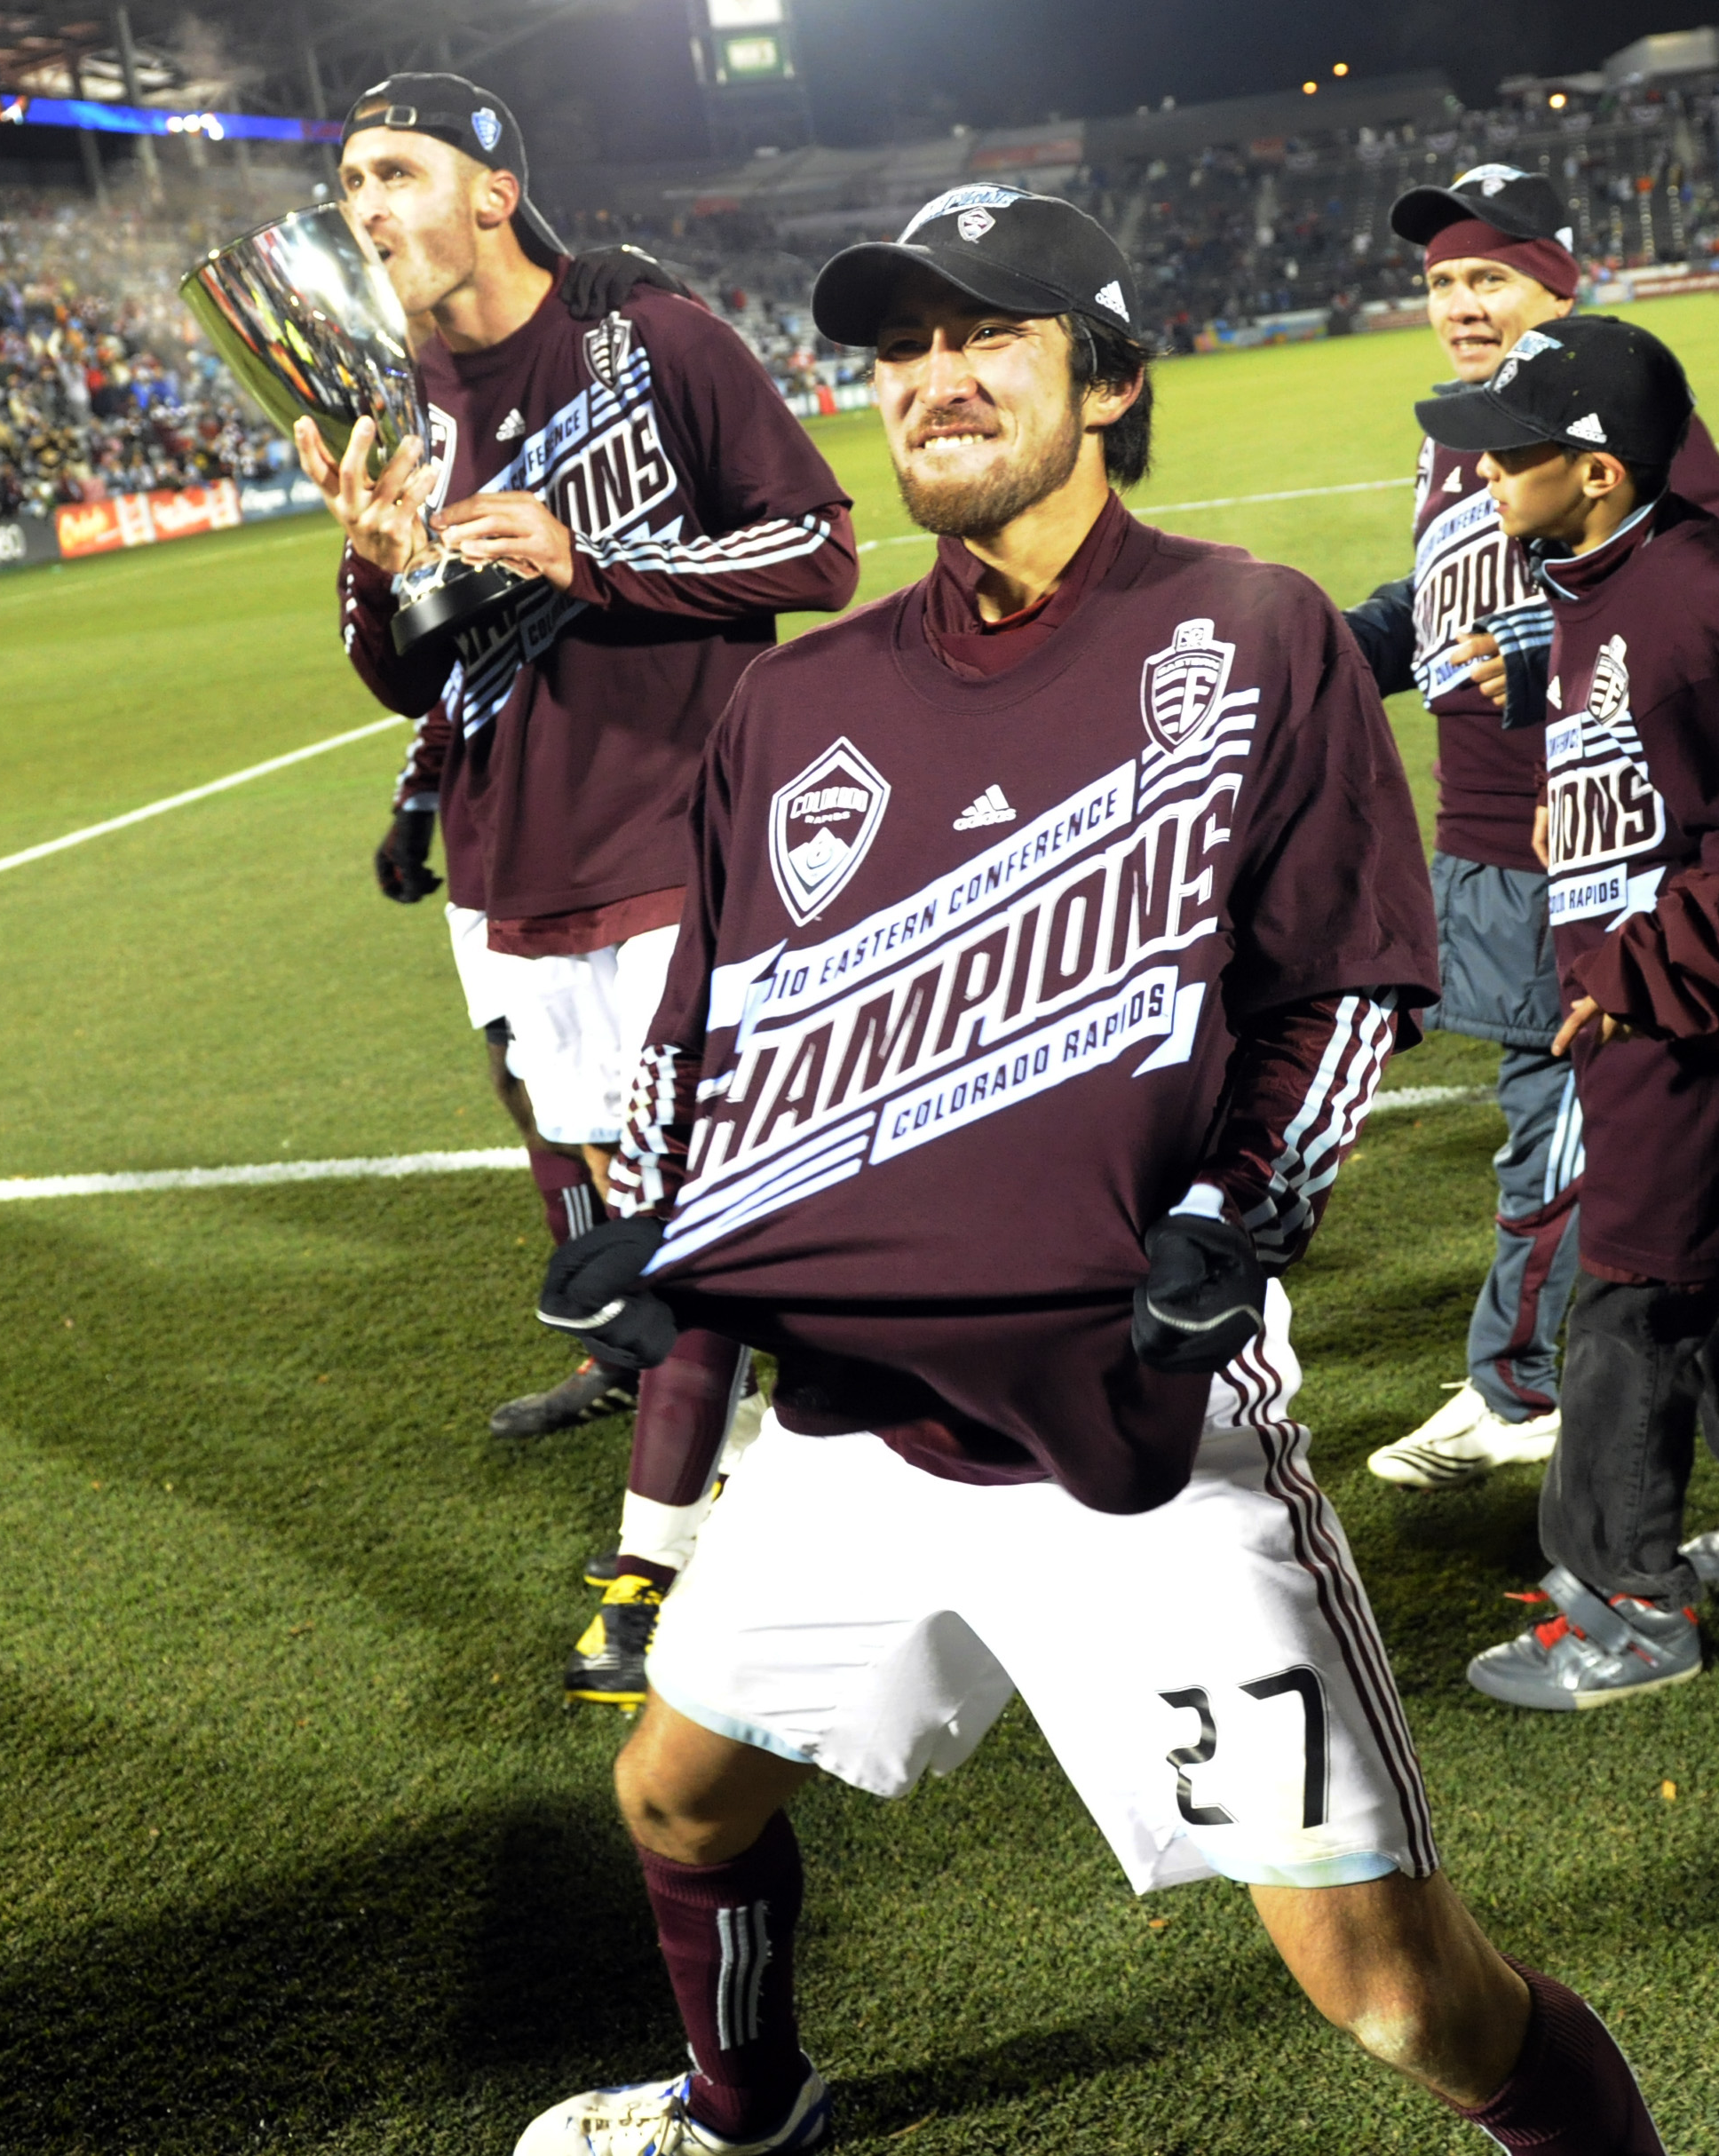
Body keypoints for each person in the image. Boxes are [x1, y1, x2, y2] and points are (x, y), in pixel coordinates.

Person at [516, 187, 1667, 2155]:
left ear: (1108, 379)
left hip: (1134, 1431)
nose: (935, 380)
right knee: (672, 1795)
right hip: (852, 1428)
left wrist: (1244, 1214)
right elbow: (711, 1033)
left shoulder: (1250, 632)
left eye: (993, 334)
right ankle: (743, 2106)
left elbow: (1341, 983)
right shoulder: (793, 702)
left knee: (1397, 1994)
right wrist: (647, 1212)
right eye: (898, 350)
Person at [292, 73, 858, 1687]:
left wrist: (587, 560)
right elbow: (399, 677)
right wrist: (381, 568)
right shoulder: (386, 394)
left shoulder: (649, 335)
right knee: (622, 1206)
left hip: (679, 834)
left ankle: (655, 1568)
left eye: (394, 171)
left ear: (490, 187)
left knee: (688, 1210)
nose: (368, 208)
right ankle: (732, 1426)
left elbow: (815, 550)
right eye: (347, 186)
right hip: (509, 857)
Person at [1347, 166, 1719, 1491]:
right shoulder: (1462, 430)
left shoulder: (1628, 413)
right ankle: (1521, 1373)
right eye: (1443, 281)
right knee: (1546, 1117)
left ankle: (1521, 1388)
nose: (1458, 303)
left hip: (1592, 853)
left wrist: (1537, 641)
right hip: (1485, 843)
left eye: (1488, 277)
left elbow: (1688, 591)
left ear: (1558, 282)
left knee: (1571, 1130)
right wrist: (1335, 656)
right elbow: (1435, 595)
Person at [1403, 315, 1719, 1708]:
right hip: (1653, 1008)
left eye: (1511, 451)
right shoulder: (1606, 579)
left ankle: (1629, 1604)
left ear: (1597, 470)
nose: (1483, 475)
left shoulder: (1687, 600)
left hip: (1675, 1025)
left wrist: (1624, 974)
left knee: (1630, 1299)